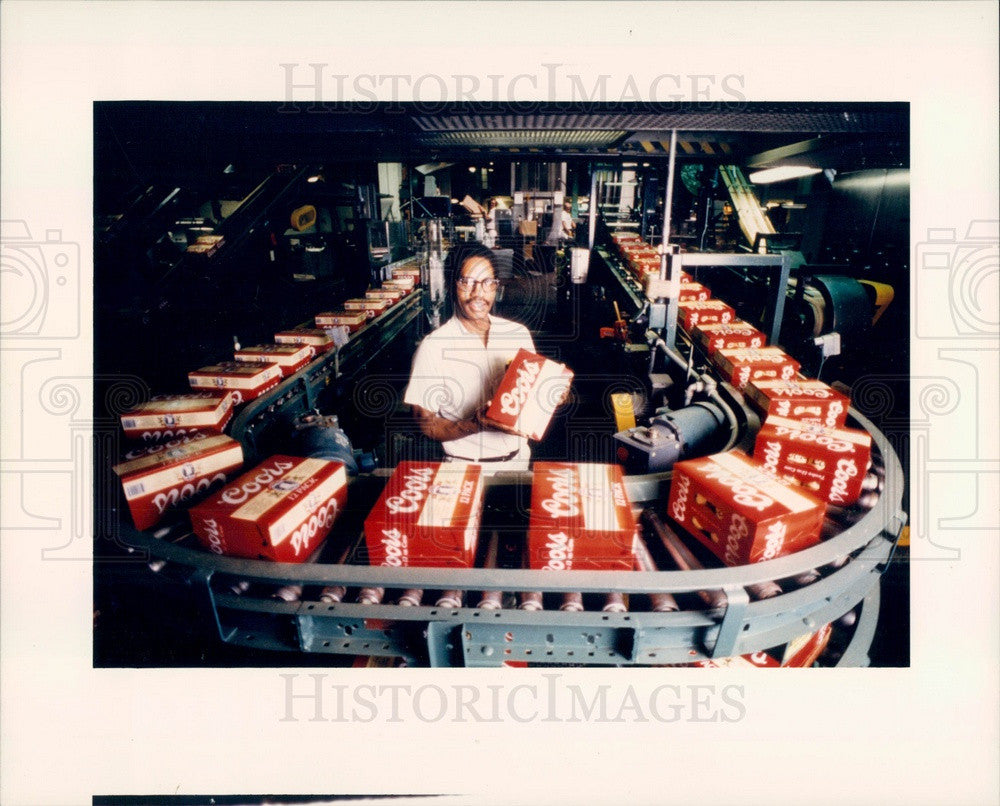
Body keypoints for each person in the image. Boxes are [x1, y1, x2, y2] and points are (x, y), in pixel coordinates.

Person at [404, 243, 534, 465]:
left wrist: (552, 390)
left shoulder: (517, 334)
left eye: (486, 283)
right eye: (467, 282)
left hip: (519, 461)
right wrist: (474, 424)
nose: (478, 294)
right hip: (465, 466)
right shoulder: (434, 347)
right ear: (451, 285)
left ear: (496, 286)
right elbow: (425, 423)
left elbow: (531, 400)